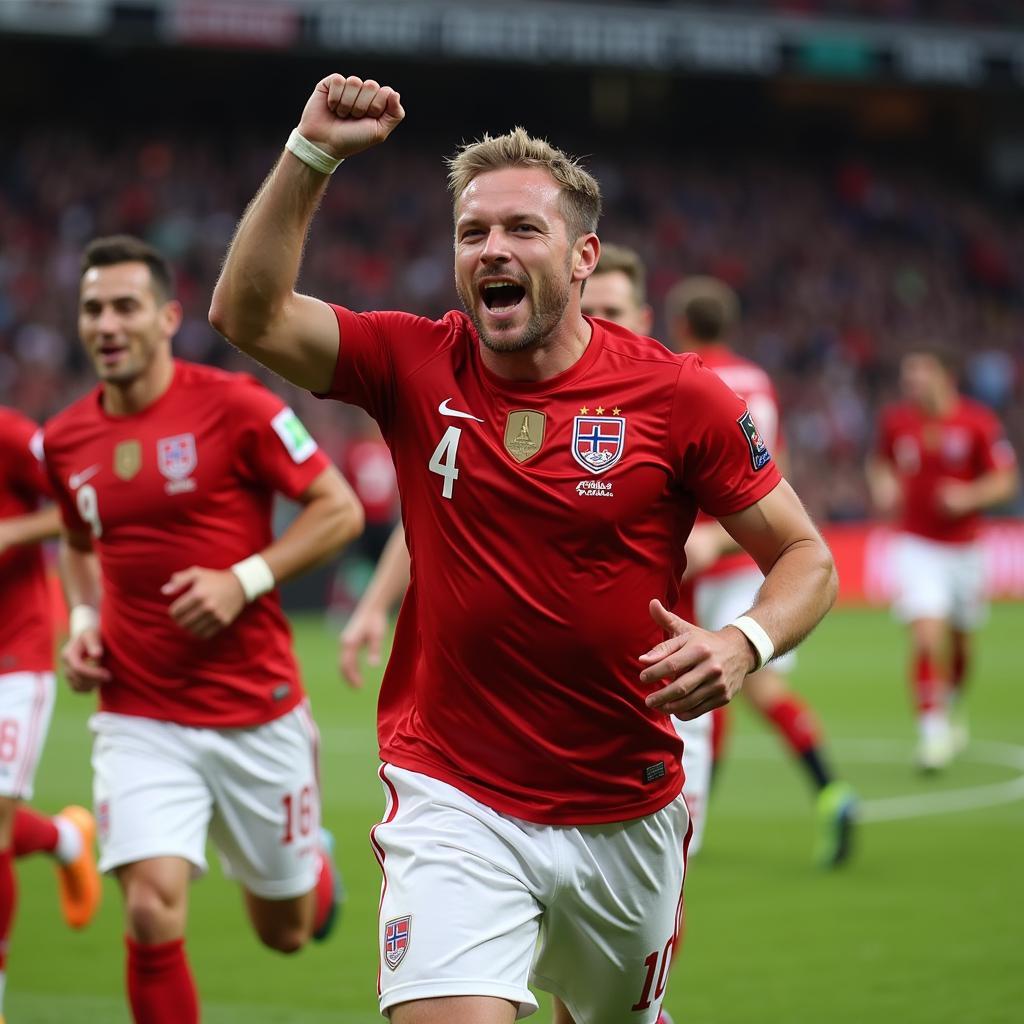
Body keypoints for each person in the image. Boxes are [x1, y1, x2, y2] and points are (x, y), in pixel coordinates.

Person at [209, 73, 837, 1024]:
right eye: (473, 234)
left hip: (623, 804)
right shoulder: (413, 361)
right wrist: (312, 154)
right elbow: (247, 315)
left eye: (520, 230)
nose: (492, 249)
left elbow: (806, 557)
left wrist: (740, 642)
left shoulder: (679, 397)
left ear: (583, 257)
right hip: (452, 794)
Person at [43, 235, 365, 1024]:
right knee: (151, 911)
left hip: (256, 712)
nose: (107, 324)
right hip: (139, 714)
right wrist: (84, 618)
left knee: (285, 932)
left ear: (167, 317)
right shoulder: (66, 441)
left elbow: (341, 510)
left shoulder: (236, 407)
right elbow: (80, 546)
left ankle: (312, 866)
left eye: (125, 307)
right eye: (93, 310)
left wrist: (242, 579)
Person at [337, 244, 715, 882]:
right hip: (460, 761)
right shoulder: (483, 393)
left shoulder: (677, 397)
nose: (593, 319)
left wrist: (740, 630)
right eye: (586, 307)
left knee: (601, 964)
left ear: (643, 316)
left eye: (613, 310)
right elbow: (435, 518)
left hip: (644, 701)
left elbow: (787, 532)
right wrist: (375, 605)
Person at [664, 276, 856, 867]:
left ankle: (829, 789)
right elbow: (776, 468)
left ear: (681, 325)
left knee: (715, 683)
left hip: (703, 550)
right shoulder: (761, 382)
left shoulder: (684, 373)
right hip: (757, 550)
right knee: (730, 688)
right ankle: (703, 816)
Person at [866, 345, 1018, 770]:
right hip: (915, 544)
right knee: (926, 635)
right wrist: (884, 484)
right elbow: (878, 461)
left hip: (966, 549)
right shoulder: (897, 420)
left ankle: (950, 705)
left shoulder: (977, 421)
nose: (911, 382)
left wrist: (969, 495)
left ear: (945, 375)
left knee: (963, 644)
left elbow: (1005, 480)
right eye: (907, 374)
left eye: (919, 372)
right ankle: (932, 732)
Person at [0, 406, 101, 1024]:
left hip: (16, 657)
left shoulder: (9, 436)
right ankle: (66, 837)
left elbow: (77, 494)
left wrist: (13, 532)